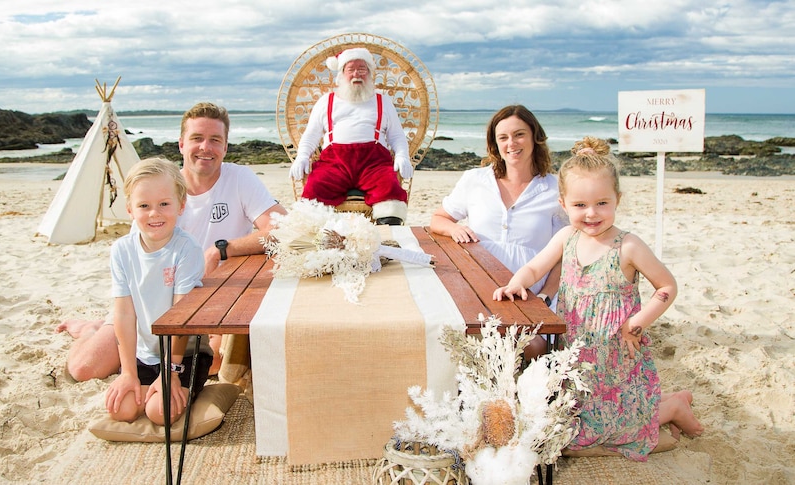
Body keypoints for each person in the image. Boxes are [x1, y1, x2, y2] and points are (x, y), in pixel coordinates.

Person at [493, 136, 703, 460]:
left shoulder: (628, 246)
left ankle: (673, 408)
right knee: (578, 428)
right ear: (563, 204)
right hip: (578, 356)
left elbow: (667, 287)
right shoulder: (566, 238)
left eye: (602, 203)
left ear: (617, 199)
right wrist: (516, 283)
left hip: (617, 357)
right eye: (580, 205)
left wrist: (637, 322)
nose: (591, 213)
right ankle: (673, 403)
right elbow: (535, 267)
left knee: (619, 421)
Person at [56, 102, 286, 386]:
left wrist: (221, 249)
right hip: (151, 301)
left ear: (225, 147)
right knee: (83, 369)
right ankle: (90, 329)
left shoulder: (239, 179)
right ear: (181, 144)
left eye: (215, 140)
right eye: (197, 138)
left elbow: (285, 229)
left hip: (210, 302)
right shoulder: (160, 189)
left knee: (213, 362)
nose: (206, 147)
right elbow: (137, 264)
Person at [430, 105, 566, 357]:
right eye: (502, 137)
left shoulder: (554, 188)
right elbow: (438, 219)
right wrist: (453, 228)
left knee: (530, 347)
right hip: (477, 289)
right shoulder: (475, 180)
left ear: (535, 137)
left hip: (531, 295)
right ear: (495, 144)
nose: (511, 143)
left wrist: (546, 296)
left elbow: (564, 252)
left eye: (519, 134)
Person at [104, 157, 210, 425]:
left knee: (158, 412)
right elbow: (125, 315)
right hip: (145, 353)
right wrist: (128, 372)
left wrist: (170, 371)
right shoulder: (121, 251)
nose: (154, 213)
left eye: (164, 204)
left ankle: (183, 387)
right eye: (144, 206)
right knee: (122, 410)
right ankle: (144, 383)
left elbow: (180, 316)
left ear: (181, 205)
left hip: (183, 352)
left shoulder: (187, 249)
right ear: (130, 209)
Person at [289, 47, 412, 225]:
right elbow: (311, 134)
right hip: (334, 163)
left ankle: (388, 231)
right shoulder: (326, 101)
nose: (356, 74)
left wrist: (402, 155)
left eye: (362, 69)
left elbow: (397, 135)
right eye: (351, 69)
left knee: (389, 186)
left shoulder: (382, 101)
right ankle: (317, 232)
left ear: (369, 73)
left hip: (374, 163)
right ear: (341, 73)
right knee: (316, 185)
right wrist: (301, 156)